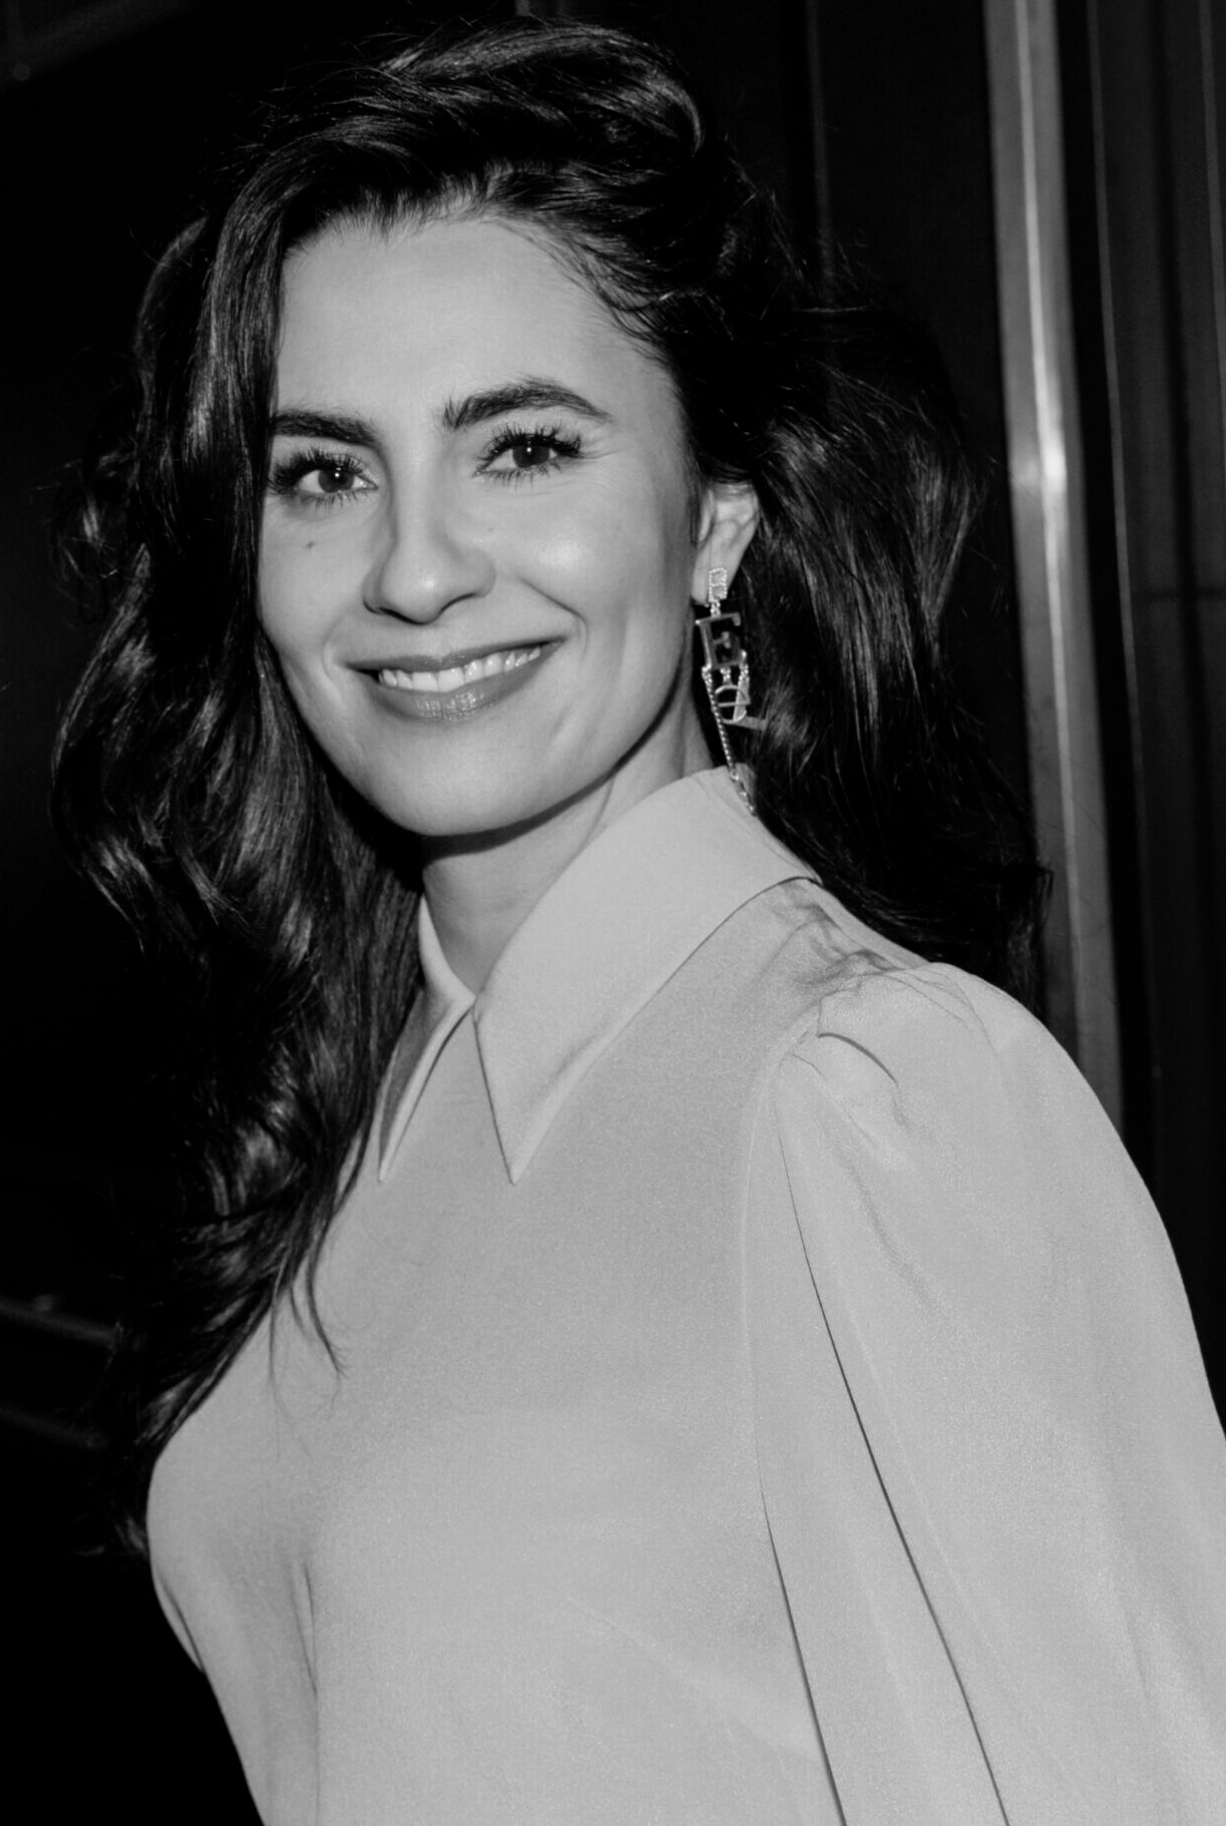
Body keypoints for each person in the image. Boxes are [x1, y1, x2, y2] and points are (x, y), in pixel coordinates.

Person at [52, 18, 1226, 1825]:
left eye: (523, 447)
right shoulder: (381, 1081)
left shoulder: (861, 1097)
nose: (415, 568)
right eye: (325, 471)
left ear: (713, 528)